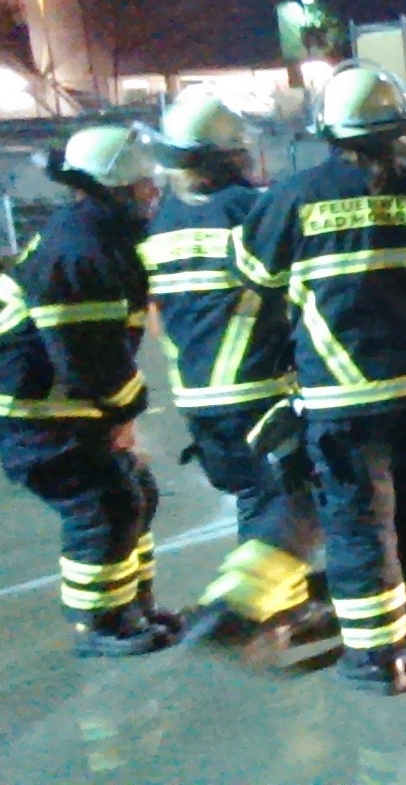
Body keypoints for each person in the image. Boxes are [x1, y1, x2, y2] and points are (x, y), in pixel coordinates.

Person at [235, 61, 406, 694]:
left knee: (358, 524)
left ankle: (378, 661)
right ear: (404, 125)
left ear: (328, 130)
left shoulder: (295, 196)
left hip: (344, 395)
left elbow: (253, 270)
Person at [0, 125, 182, 656]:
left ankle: (132, 604)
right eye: (143, 184)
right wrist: (123, 417)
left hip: (49, 397)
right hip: (21, 403)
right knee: (101, 503)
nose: (152, 192)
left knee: (134, 491)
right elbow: (88, 360)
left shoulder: (98, 233)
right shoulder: (83, 249)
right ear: (115, 188)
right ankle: (102, 625)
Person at [140, 87, 332, 657]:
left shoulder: (163, 220)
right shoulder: (253, 211)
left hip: (196, 393)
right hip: (261, 387)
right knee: (304, 499)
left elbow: (157, 314)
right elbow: (304, 288)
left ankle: (285, 607)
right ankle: (236, 604)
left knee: (257, 495)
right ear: (233, 153)